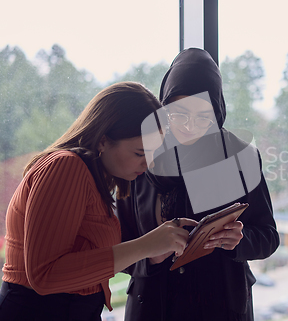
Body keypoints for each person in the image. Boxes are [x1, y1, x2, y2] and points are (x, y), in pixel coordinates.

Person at [0, 82, 197, 321]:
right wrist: (144, 245)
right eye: (139, 153)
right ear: (103, 140)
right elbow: (45, 275)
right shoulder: (66, 166)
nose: (148, 164)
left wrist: (151, 253)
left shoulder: (92, 177)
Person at [116, 48, 280, 321]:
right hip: (154, 304)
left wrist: (240, 241)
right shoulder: (141, 154)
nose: (189, 126)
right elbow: (118, 242)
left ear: (218, 112)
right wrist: (151, 256)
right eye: (178, 114)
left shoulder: (240, 157)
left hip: (221, 304)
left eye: (203, 116)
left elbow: (268, 236)